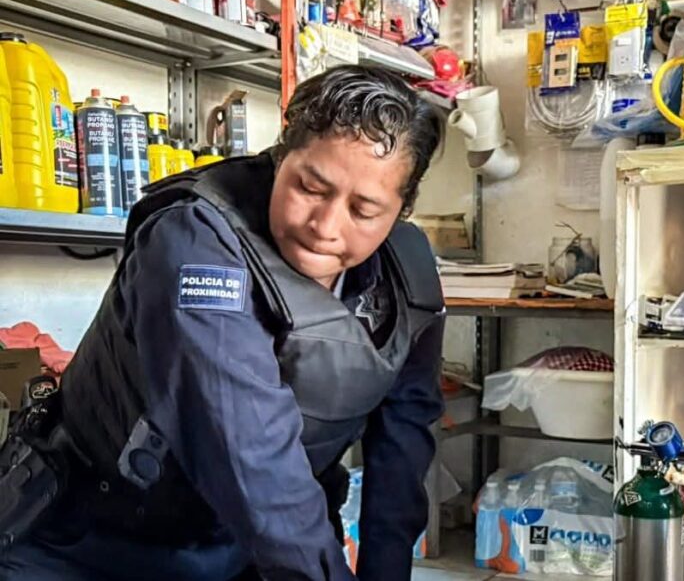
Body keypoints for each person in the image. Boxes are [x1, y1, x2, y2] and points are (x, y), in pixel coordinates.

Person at [0, 67, 446, 581]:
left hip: (239, 545)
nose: (325, 227)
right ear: (282, 157)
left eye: (364, 210)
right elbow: (251, 451)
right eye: (309, 187)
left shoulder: (405, 277)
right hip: (91, 543)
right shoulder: (195, 242)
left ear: (401, 210)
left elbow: (403, 447)